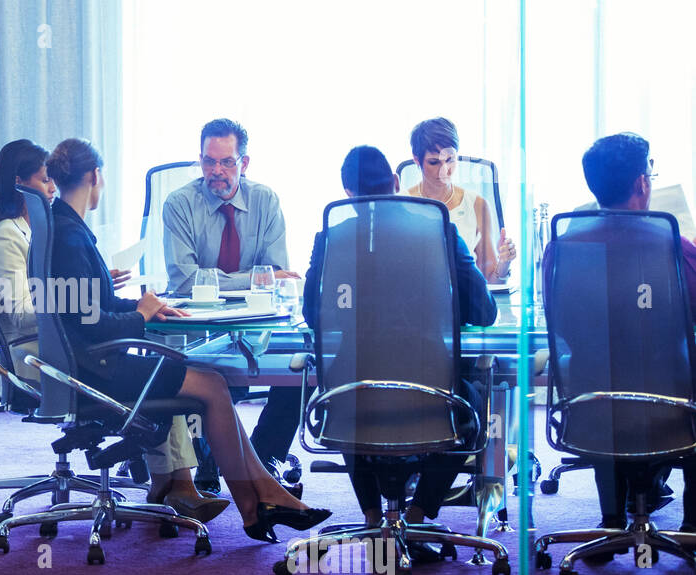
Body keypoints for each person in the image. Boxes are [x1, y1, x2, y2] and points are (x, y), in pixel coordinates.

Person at [46, 137, 330, 541]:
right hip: (97, 367)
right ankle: (258, 502)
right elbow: (91, 323)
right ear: (94, 176)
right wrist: (139, 315)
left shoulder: (63, 227)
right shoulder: (72, 237)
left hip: (88, 359)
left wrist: (142, 305)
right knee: (211, 384)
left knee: (207, 380)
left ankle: (262, 497)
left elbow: (86, 307)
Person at [0, 139, 228, 523]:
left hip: (65, 348)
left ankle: (174, 483)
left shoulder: (52, 229)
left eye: (52, 180)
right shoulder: (16, 234)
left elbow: (70, 305)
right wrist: (76, 298)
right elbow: (20, 310)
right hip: (44, 356)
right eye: (43, 180)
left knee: (165, 374)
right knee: (177, 377)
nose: (50, 189)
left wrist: (91, 291)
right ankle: (185, 484)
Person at [302, 145, 497, 539]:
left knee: (347, 392)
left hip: (351, 394)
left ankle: (375, 518)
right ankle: (422, 516)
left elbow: (313, 314)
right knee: (476, 406)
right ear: (395, 182)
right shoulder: (440, 229)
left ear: (346, 194)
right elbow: (485, 312)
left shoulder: (331, 238)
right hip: (431, 392)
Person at [161, 118, 305, 493]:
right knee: (188, 368)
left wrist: (231, 281)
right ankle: (207, 458)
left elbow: (279, 277)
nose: (216, 172)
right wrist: (252, 279)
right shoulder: (179, 204)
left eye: (226, 162)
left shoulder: (266, 200)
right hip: (195, 324)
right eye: (209, 162)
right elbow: (185, 280)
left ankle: (262, 457)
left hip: (256, 323)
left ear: (245, 162)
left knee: (303, 364)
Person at [570, 133, 694, 536]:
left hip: (591, 404)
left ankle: (611, 519)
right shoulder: (677, 248)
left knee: (597, 367)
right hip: (670, 405)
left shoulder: (563, 249)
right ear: (642, 183)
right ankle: (692, 524)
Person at [403, 117, 516, 283]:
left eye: (450, 160)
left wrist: (504, 264)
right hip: (416, 301)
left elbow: (489, 281)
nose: (444, 170)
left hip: (463, 302)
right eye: (434, 162)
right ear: (417, 160)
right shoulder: (401, 204)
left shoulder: (477, 205)